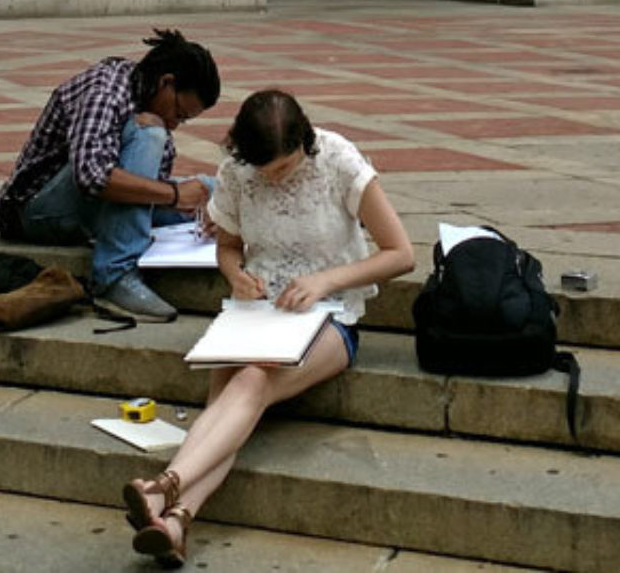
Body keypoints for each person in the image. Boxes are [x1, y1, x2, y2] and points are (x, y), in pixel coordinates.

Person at [120, 89, 415, 568]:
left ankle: (164, 485)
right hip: (256, 313)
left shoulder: (339, 159)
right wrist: (235, 274)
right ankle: (173, 523)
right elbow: (229, 247)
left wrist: (325, 281)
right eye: (265, 171)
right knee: (225, 409)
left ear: (305, 142)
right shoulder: (238, 170)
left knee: (254, 379)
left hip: (331, 316)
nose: (273, 178)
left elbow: (401, 254)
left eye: (283, 168)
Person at [0, 28, 220, 322]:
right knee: (150, 133)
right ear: (166, 83)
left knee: (207, 190)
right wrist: (175, 196)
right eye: (179, 113)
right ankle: (114, 276)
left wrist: (204, 202)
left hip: (88, 206)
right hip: (33, 211)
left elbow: (145, 189)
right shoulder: (106, 90)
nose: (175, 124)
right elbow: (92, 176)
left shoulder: (144, 93)